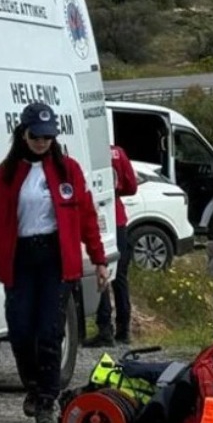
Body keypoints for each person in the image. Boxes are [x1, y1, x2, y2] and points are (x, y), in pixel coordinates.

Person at [0, 102, 109, 423]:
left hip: (55, 258)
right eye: (36, 135)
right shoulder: (6, 173)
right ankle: (33, 388)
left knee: (50, 331)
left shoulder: (69, 170)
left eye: (48, 136)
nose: (42, 142)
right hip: (19, 257)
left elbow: (87, 218)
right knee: (21, 330)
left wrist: (100, 259)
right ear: (23, 133)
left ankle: (47, 401)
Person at [84, 143, 138, 347]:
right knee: (120, 276)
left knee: (101, 271)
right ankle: (124, 330)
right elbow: (131, 186)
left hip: (95, 219)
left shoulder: (87, 149)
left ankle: (105, 328)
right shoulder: (118, 152)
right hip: (116, 218)